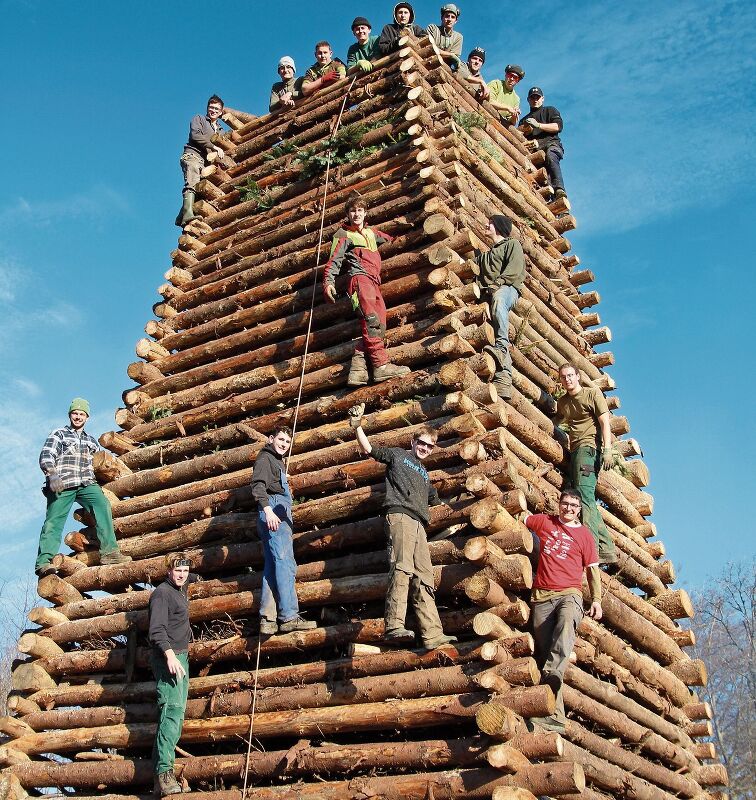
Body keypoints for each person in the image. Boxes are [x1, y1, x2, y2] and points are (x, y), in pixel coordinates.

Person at [350, 408, 457, 650]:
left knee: (424, 577)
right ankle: (394, 624)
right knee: (402, 568)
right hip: (400, 516)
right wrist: (357, 426)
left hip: (420, 524)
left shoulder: (425, 475)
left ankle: (432, 634)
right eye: (421, 444)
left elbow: (437, 503)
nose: (424, 449)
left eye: (429, 447)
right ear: (413, 442)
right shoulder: (398, 455)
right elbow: (369, 450)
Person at [524, 490, 603, 733]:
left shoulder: (585, 536)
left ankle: (553, 672)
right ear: (559, 505)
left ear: (579, 509)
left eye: (573, 505)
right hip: (541, 597)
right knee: (545, 650)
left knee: (567, 621)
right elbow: (522, 519)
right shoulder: (545, 522)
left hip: (570, 593)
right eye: (565, 504)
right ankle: (556, 716)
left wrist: (597, 599)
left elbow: (592, 571)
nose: (568, 508)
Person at [35, 398, 131, 577]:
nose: (78, 417)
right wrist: (52, 475)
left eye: (81, 414)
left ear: (87, 417)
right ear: (70, 415)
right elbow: (46, 454)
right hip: (62, 482)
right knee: (53, 521)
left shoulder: (91, 441)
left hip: (87, 483)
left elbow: (98, 464)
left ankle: (110, 552)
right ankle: (44, 562)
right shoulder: (60, 434)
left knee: (102, 505)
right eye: (75, 413)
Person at [323, 194, 410, 385]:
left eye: (359, 210)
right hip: (359, 280)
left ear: (365, 212)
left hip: (374, 282)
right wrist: (328, 281)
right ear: (348, 214)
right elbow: (334, 260)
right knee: (371, 320)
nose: (356, 214)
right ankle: (381, 366)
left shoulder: (372, 233)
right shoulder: (343, 234)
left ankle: (358, 368)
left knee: (380, 323)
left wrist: (408, 227)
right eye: (352, 211)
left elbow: (391, 240)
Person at [251, 426, 317, 635]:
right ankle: (289, 616)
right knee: (285, 563)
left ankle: (268, 619)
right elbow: (258, 486)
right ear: (271, 439)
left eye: (287, 442)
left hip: (277, 511)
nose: (283, 444)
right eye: (280, 439)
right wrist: (269, 511)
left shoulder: (277, 461)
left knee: (273, 566)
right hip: (273, 512)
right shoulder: (265, 458)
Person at [555, 364, 618, 565]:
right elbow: (558, 421)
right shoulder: (563, 402)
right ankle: (606, 549)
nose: (568, 380)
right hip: (575, 451)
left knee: (584, 498)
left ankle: (590, 549)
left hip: (589, 449)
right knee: (579, 496)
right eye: (564, 377)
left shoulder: (592, 394)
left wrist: (607, 450)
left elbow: (604, 423)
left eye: (571, 375)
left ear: (578, 376)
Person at [148, 552, 199, 796]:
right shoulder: (162, 594)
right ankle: (164, 774)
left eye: (185, 571)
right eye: (178, 571)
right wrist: (169, 656)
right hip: (169, 659)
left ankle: (161, 779)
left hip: (181, 657)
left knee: (177, 716)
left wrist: (194, 576)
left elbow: (189, 578)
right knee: (171, 713)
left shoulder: (180, 588)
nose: (182, 575)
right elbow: (156, 630)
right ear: (168, 570)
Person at [474, 215, 526, 400]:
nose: (485, 224)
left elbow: (514, 270)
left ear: (498, 226)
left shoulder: (512, 245)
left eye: (489, 222)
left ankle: (502, 347)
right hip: (492, 292)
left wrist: (498, 285)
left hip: (509, 288)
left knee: (498, 300)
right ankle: (503, 379)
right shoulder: (487, 255)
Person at [176, 94, 227, 228]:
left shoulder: (221, 130)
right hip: (192, 155)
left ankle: (181, 215)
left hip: (205, 162)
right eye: (211, 107)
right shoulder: (199, 119)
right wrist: (214, 146)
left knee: (199, 188)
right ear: (207, 108)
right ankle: (186, 214)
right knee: (192, 182)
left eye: (216, 109)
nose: (213, 110)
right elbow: (195, 135)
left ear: (221, 112)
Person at [519, 87, 567, 200]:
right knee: (542, 178)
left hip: (551, 144)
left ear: (542, 98)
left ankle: (559, 190)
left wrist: (539, 125)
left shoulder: (550, 110)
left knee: (551, 156)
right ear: (528, 100)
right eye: (532, 97)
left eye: (537, 97)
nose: (535, 99)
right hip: (535, 151)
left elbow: (557, 127)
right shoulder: (524, 121)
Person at [426, 4, 463, 70]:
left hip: (445, 70)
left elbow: (454, 59)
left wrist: (450, 56)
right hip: (427, 63)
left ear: (456, 21)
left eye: (452, 17)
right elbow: (429, 49)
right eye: (447, 16)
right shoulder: (433, 28)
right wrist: (450, 55)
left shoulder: (458, 37)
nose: (449, 19)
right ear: (442, 18)